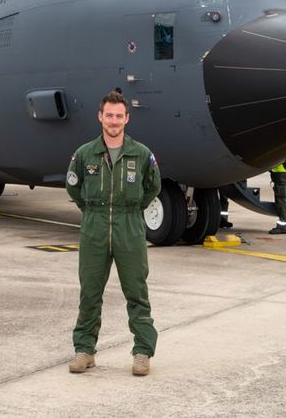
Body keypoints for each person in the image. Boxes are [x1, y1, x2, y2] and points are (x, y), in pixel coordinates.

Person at [65, 90, 162, 376]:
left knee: (136, 291)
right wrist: (93, 211)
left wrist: (129, 210)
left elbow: (152, 188)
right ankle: (85, 350)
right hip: (94, 226)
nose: (114, 121)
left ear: (127, 119)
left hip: (129, 225)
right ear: (100, 117)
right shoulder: (85, 154)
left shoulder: (142, 154)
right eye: (109, 115)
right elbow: (73, 187)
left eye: (119, 116)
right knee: (90, 292)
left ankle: (142, 352)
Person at [268, 162, 286, 234]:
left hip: (281, 174)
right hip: (283, 174)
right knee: (284, 199)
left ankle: (282, 226)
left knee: (281, 199)